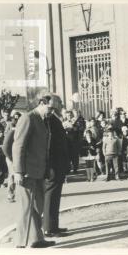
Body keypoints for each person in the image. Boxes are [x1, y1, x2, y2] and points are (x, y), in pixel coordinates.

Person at [12, 94, 55, 248]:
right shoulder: (28, 118)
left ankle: (36, 239)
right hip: (27, 171)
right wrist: (18, 171)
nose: (52, 112)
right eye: (50, 108)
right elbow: (18, 146)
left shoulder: (43, 120)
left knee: (37, 206)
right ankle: (21, 242)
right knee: (26, 207)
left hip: (38, 170)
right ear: (41, 103)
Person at [43, 95, 71, 237]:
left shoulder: (56, 118)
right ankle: (48, 228)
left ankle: (54, 226)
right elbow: (49, 144)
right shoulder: (49, 118)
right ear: (52, 102)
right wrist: (50, 165)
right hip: (53, 164)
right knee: (51, 195)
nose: (61, 103)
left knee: (55, 196)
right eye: (59, 101)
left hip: (59, 163)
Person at [2, 115, 21, 202]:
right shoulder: (12, 132)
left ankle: (19, 194)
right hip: (11, 158)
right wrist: (10, 157)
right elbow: (5, 147)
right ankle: (11, 195)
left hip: (17, 157)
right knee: (13, 175)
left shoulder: (20, 131)